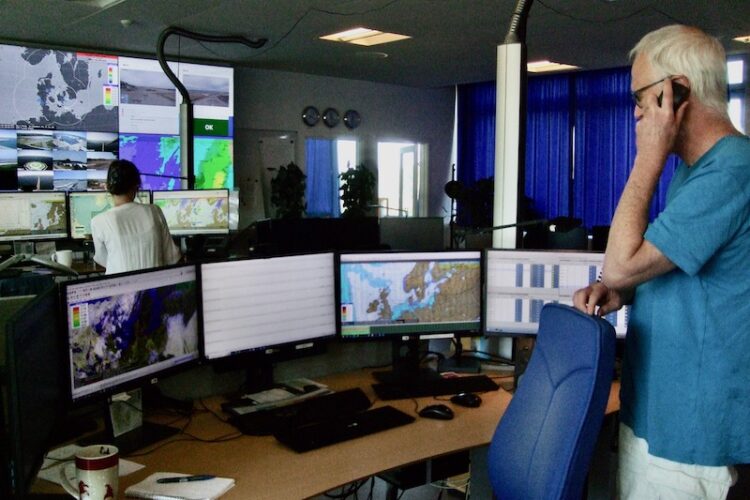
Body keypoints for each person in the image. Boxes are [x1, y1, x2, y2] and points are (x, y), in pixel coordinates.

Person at [573, 25, 750, 499]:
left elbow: (619, 264)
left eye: (641, 97)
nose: (636, 112)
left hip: (690, 436)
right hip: (658, 412)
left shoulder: (733, 170)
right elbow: (670, 270)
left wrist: (646, 159)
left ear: (678, 93)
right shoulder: (695, 172)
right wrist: (626, 289)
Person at [91, 160, 181, 274]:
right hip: (156, 284)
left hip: (119, 284)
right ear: (136, 186)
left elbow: (104, 260)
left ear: (108, 187)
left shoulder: (98, 222)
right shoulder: (154, 211)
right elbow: (172, 257)